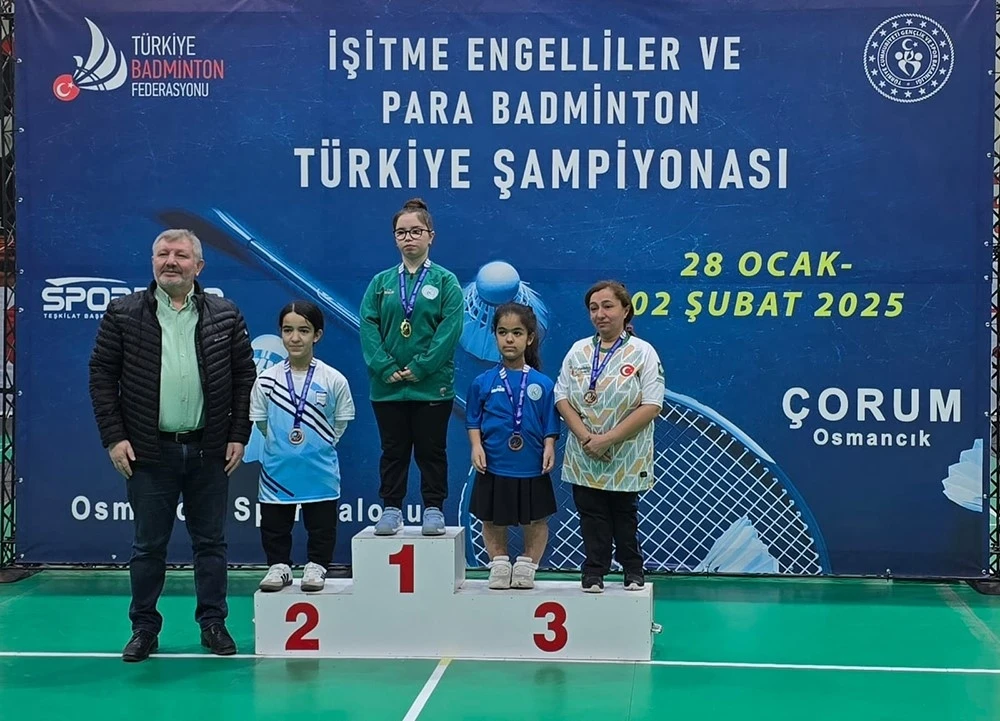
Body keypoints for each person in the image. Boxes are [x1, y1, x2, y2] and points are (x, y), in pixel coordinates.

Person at [88, 228, 256, 662]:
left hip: (208, 450)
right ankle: (143, 628)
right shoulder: (123, 313)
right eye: (163, 254)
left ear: (198, 266)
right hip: (149, 452)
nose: (170, 262)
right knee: (148, 547)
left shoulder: (225, 314)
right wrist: (114, 437)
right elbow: (102, 376)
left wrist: (239, 434)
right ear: (152, 262)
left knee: (211, 544)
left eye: (180, 255)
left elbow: (244, 377)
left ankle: (213, 623)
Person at [360, 198, 463, 536]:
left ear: (431, 235)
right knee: (393, 451)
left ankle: (433, 509)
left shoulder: (446, 282)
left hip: (431, 385)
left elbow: (449, 330)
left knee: (432, 451)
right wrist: (383, 365)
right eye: (401, 232)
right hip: (388, 386)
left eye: (416, 231)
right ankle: (391, 508)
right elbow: (368, 325)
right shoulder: (381, 282)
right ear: (394, 238)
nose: (409, 238)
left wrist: (422, 367)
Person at [554, 280, 665, 593]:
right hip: (584, 453)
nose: (599, 314)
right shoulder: (578, 350)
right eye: (593, 308)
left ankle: (633, 570)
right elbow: (561, 396)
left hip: (626, 455)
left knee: (624, 515)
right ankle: (594, 572)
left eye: (607, 306)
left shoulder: (643, 352)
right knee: (591, 516)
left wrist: (608, 439)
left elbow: (652, 404)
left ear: (625, 310)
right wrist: (587, 439)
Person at [251, 301, 355, 593]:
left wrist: (318, 445)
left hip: (319, 470)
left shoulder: (333, 379)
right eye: (288, 330)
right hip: (277, 470)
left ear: (317, 335)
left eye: (303, 330)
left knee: (321, 524)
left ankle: (317, 565)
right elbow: (261, 423)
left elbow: (341, 422)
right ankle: (279, 566)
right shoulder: (266, 380)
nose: (295, 338)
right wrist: (283, 446)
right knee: (275, 524)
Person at [466, 302, 559, 590]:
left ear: (529, 338)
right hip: (494, 464)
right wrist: (476, 446)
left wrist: (549, 446)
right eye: (503, 332)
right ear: (494, 335)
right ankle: (499, 563)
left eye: (517, 333)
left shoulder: (543, 384)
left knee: (536, 519)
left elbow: (550, 422)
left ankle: (528, 565)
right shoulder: (483, 382)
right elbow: (473, 419)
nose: (509, 339)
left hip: (531, 466)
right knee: (492, 518)